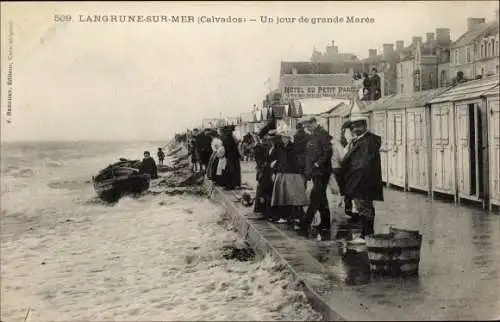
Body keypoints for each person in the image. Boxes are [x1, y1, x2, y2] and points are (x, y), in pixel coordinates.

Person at [341, 114, 384, 238]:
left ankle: (367, 235)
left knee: (365, 209)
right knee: (363, 208)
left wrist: (352, 176)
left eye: (358, 127)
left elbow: (362, 164)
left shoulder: (367, 141)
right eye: (354, 128)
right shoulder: (362, 140)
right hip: (360, 180)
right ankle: (365, 235)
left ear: (365, 127)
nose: (355, 130)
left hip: (362, 181)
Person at [299, 117, 333, 236]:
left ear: (314, 123)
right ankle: (325, 222)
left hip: (322, 172)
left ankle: (305, 222)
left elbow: (328, 152)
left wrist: (318, 163)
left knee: (315, 196)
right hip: (315, 172)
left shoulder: (322, 134)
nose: (307, 127)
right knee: (321, 197)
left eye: (308, 125)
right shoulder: (313, 135)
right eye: (305, 126)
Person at [270, 127, 308, 225]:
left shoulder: (294, 147)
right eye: (283, 137)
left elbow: (297, 161)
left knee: (292, 196)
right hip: (281, 173)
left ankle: (293, 216)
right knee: (281, 196)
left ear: (289, 138)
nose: (284, 139)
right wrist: (274, 171)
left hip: (292, 173)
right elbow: (275, 160)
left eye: (286, 137)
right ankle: (283, 216)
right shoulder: (279, 147)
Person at [219, 125, 241, 190]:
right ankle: (235, 184)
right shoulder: (232, 138)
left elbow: (226, 149)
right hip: (234, 157)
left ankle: (231, 185)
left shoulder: (226, 139)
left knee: (230, 171)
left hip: (230, 157)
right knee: (235, 171)